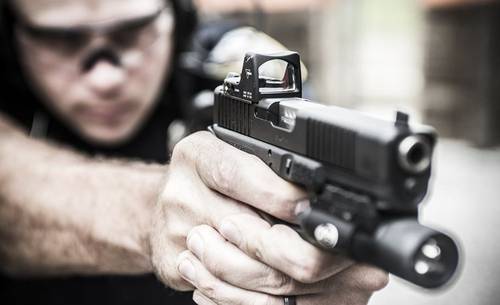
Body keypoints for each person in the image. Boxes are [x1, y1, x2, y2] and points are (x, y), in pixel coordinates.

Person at [0, 0, 389, 304]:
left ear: (178, 16)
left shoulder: (232, 65)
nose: (106, 76)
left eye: (133, 33)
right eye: (60, 40)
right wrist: (151, 212)